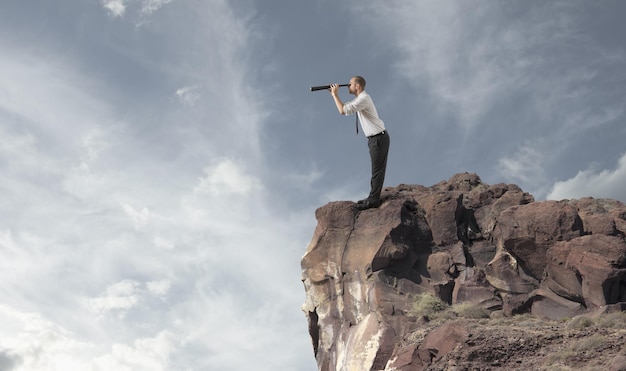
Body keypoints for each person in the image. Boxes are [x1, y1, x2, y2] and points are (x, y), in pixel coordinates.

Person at [329, 76, 390, 210]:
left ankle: (373, 200)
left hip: (378, 138)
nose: (347, 86)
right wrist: (335, 95)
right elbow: (346, 107)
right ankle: (372, 197)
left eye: (350, 84)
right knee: (376, 170)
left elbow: (343, 110)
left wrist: (335, 94)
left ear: (357, 86)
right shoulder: (361, 99)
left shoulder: (363, 98)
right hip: (375, 138)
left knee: (377, 171)